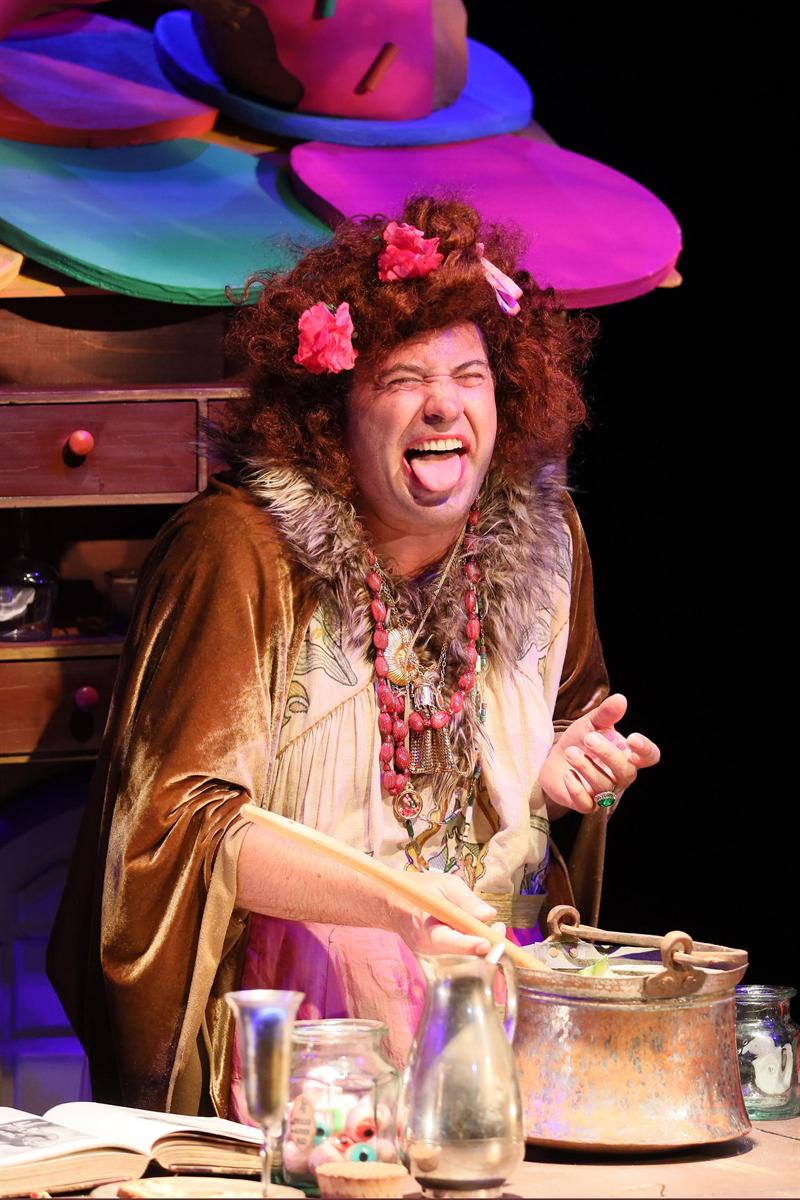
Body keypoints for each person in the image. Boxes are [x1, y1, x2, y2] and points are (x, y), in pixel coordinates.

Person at [48, 196, 660, 1119]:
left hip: (491, 1004)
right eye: (403, 378)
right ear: (334, 411)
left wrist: (564, 768)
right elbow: (179, 829)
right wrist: (387, 903)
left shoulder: (547, 538)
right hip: (301, 1027)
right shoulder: (240, 553)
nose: (444, 405)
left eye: (470, 375)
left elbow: (561, 731)